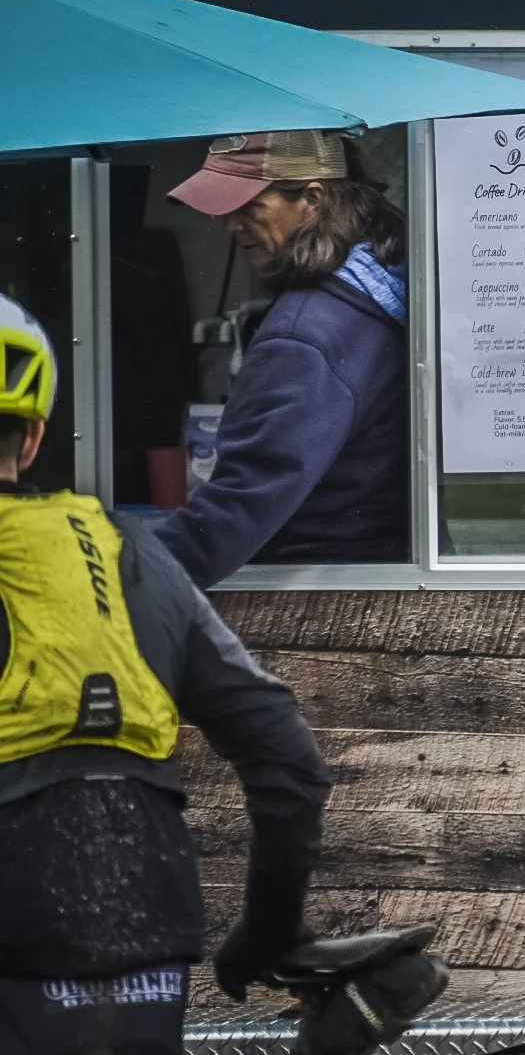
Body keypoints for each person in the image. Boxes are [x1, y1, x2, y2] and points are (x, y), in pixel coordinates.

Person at [0, 296, 331, 1052]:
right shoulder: (133, 553)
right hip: (146, 913)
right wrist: (271, 928)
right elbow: (291, 764)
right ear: (36, 436)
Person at [158, 130, 410, 588]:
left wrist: (111, 587)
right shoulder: (377, 292)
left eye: (248, 207)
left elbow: (238, 506)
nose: (231, 226)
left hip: (311, 586)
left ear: (312, 199)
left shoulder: (304, 335)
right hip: (367, 568)